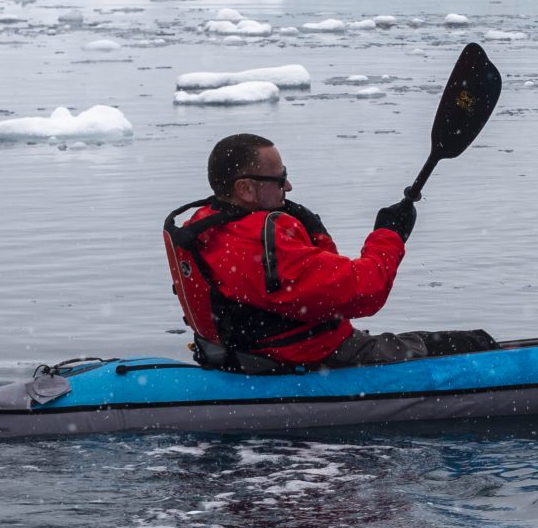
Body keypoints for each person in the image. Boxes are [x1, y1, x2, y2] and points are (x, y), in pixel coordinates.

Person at [162, 132, 496, 372]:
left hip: (232, 355)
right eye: (280, 179)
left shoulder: (203, 225)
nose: (288, 187)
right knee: (469, 344)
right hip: (303, 355)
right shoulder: (260, 240)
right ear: (244, 188)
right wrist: (390, 235)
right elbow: (365, 293)